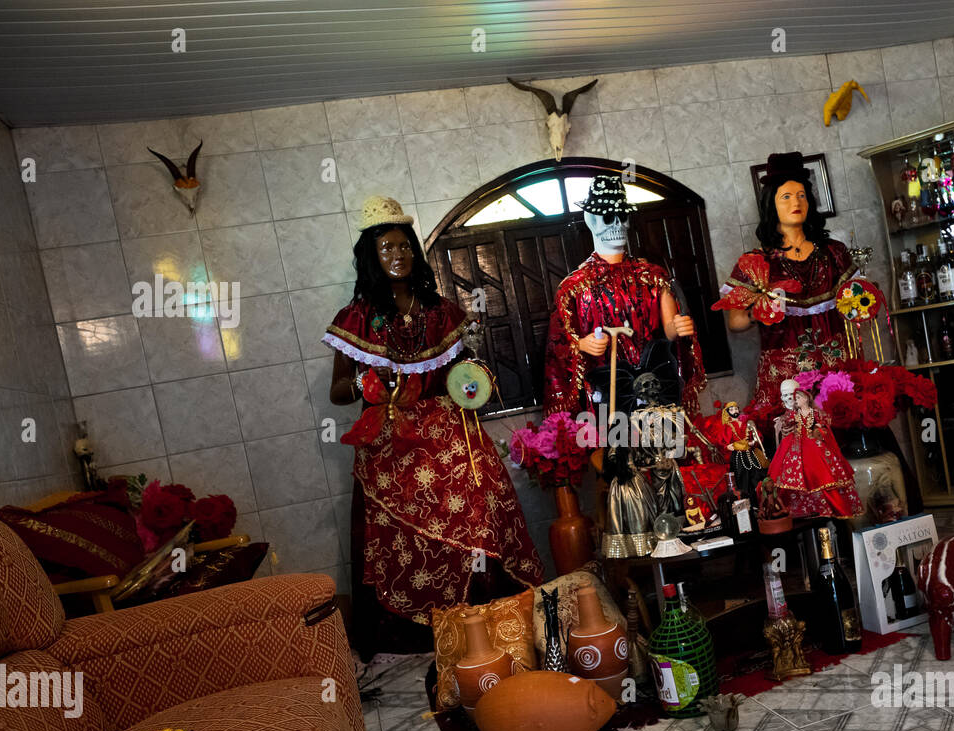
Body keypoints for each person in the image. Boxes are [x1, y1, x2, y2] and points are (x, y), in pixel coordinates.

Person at [325, 197, 544, 660]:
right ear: (371, 256)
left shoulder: (441, 310)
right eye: (387, 248)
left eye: (404, 247)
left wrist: (473, 381)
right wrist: (367, 384)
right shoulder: (356, 318)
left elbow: (461, 376)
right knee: (403, 539)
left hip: (450, 433)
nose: (398, 256)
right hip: (392, 443)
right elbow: (338, 392)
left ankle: (491, 617)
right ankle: (425, 633)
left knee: (483, 513)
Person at [543, 174, 705, 417]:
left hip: (653, 382)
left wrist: (678, 326)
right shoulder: (574, 287)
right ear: (591, 220)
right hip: (605, 389)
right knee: (615, 448)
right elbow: (559, 344)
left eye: (622, 217)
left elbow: (669, 327)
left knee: (662, 446)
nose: (617, 225)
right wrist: (582, 344)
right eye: (608, 217)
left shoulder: (652, 276)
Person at [716, 151, 858, 415]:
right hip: (784, 379)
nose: (796, 201)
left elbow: (856, 303)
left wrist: (866, 300)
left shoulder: (833, 252)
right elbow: (735, 322)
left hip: (836, 370)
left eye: (802, 195)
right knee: (792, 446)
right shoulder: (755, 262)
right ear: (772, 205)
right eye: (787, 196)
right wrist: (761, 310)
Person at [768, 386, 862, 520]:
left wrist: (819, 428)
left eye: (798, 398)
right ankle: (802, 508)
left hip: (814, 445)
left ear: (806, 399)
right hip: (796, 445)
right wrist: (781, 422)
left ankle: (826, 507)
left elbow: (824, 423)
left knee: (820, 474)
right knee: (795, 475)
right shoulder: (794, 414)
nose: (796, 401)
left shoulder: (815, 413)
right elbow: (785, 422)